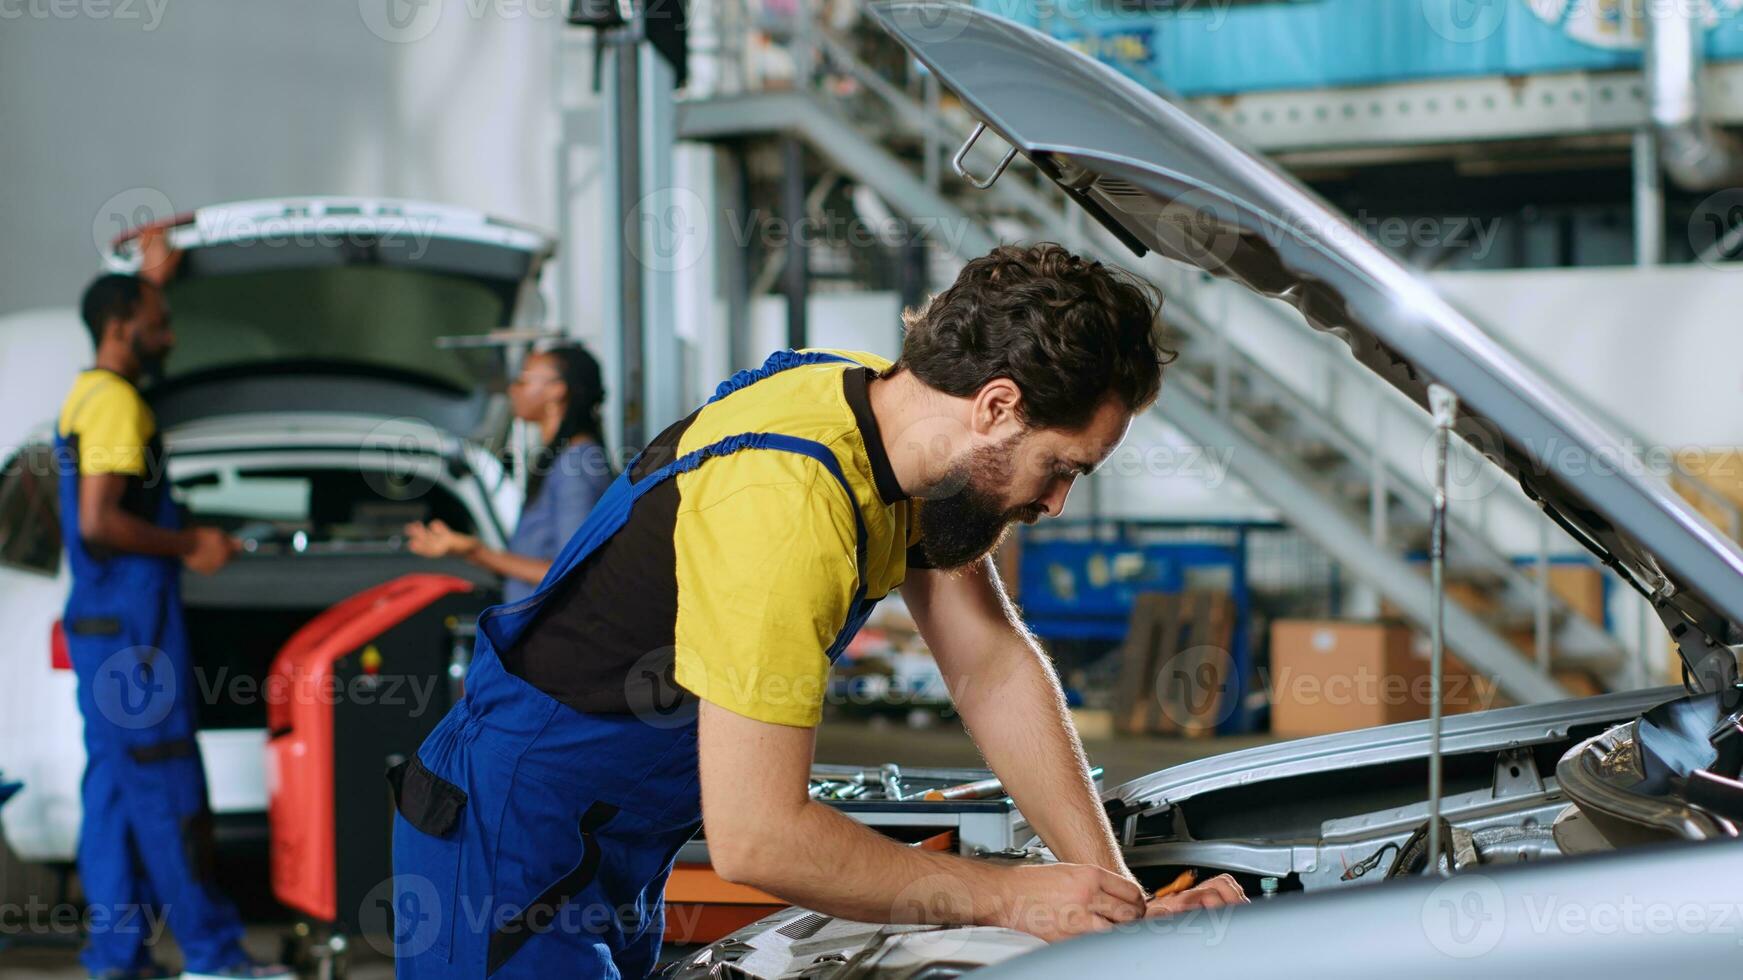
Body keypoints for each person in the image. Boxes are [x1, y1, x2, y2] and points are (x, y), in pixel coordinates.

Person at [390, 243, 1246, 979]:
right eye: (1061, 466)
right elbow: (758, 837)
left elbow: (989, 663)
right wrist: (1013, 896)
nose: (1056, 501)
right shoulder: (787, 504)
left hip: (608, 838)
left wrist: (1111, 902)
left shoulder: (878, 413)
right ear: (995, 406)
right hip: (508, 839)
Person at [57, 229, 292, 980]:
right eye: (161, 318)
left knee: (116, 799)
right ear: (124, 325)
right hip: (132, 634)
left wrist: (155, 270)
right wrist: (191, 545)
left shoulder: (89, 393)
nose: (172, 332)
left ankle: (117, 958)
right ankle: (217, 959)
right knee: (167, 788)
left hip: (105, 626)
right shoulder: (118, 405)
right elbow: (101, 521)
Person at [403, 344, 613, 602]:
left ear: (557, 390)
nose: (513, 389)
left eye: (523, 380)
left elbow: (572, 571)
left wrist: (476, 551)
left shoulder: (577, 465)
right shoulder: (563, 458)